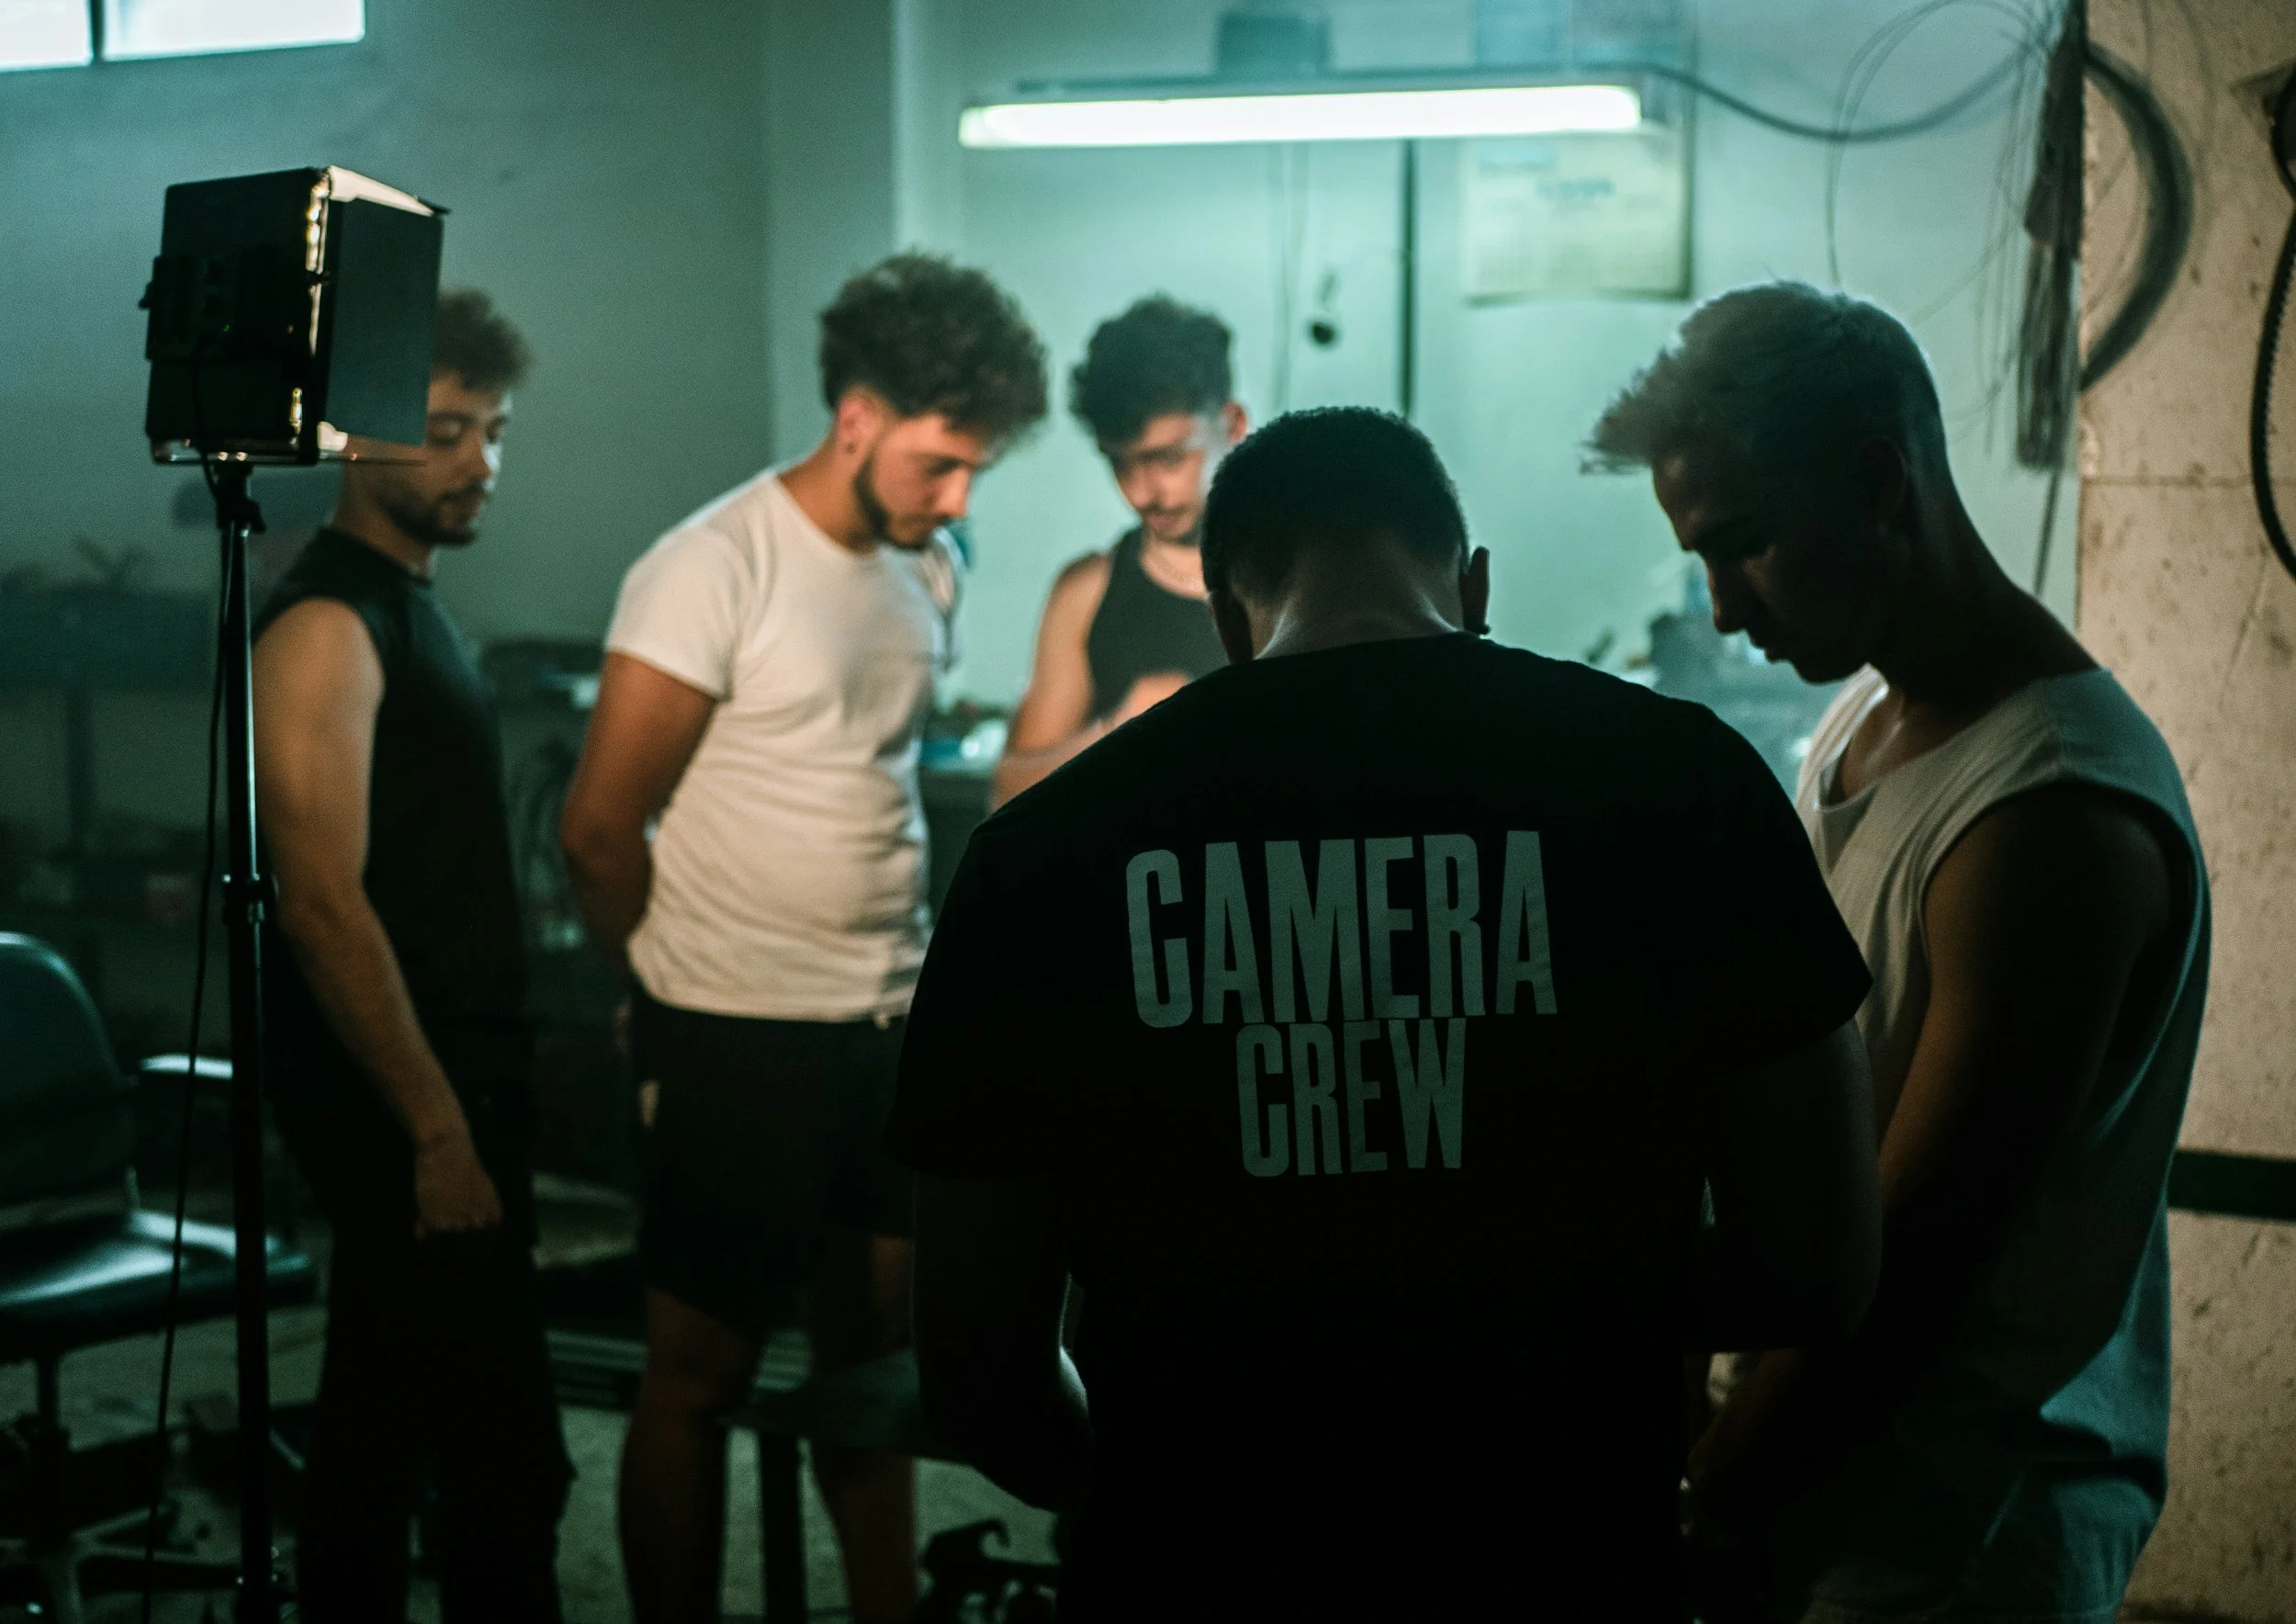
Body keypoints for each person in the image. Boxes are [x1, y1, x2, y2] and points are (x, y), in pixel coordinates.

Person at [888, 406, 1885, 1622]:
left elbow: (977, 1362)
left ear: (1226, 617)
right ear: (1474, 585)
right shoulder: (1687, 781)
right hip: (1561, 1547)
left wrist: (1142, 1479)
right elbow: (1820, 1265)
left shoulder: (1040, 852)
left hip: (1192, 1558)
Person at [1591, 282, 2212, 1624]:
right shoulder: (1869, 724)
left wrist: (1707, 1499)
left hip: (1950, 1540)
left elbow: (1914, 1263)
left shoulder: (2044, 812)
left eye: (1745, 542)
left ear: (1879, 481)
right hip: (1833, 1500)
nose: (1722, 603)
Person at [558, 254, 1048, 1624]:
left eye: (977, 472)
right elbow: (598, 830)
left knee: (870, 1365)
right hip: (733, 1033)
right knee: (699, 1376)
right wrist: (657, 991)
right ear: (857, 417)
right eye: (942, 462)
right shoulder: (710, 565)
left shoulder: (928, 561)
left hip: (888, 1021)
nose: (958, 500)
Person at [254, 289, 568, 1622]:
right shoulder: (328, 621)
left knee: (378, 1431)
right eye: (445, 429)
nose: (479, 459)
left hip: (451, 1085)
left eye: (491, 429)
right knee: (509, 1462)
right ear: (349, 439)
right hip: (404, 1100)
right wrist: (437, 1129)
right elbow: (319, 900)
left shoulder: (414, 608)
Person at [989, 297, 1244, 806]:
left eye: (1170, 458)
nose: (1144, 491)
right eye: (1122, 465)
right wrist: (1117, 731)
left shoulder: (1300, 575)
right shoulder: (1089, 589)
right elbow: (1007, 793)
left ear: (1233, 425)